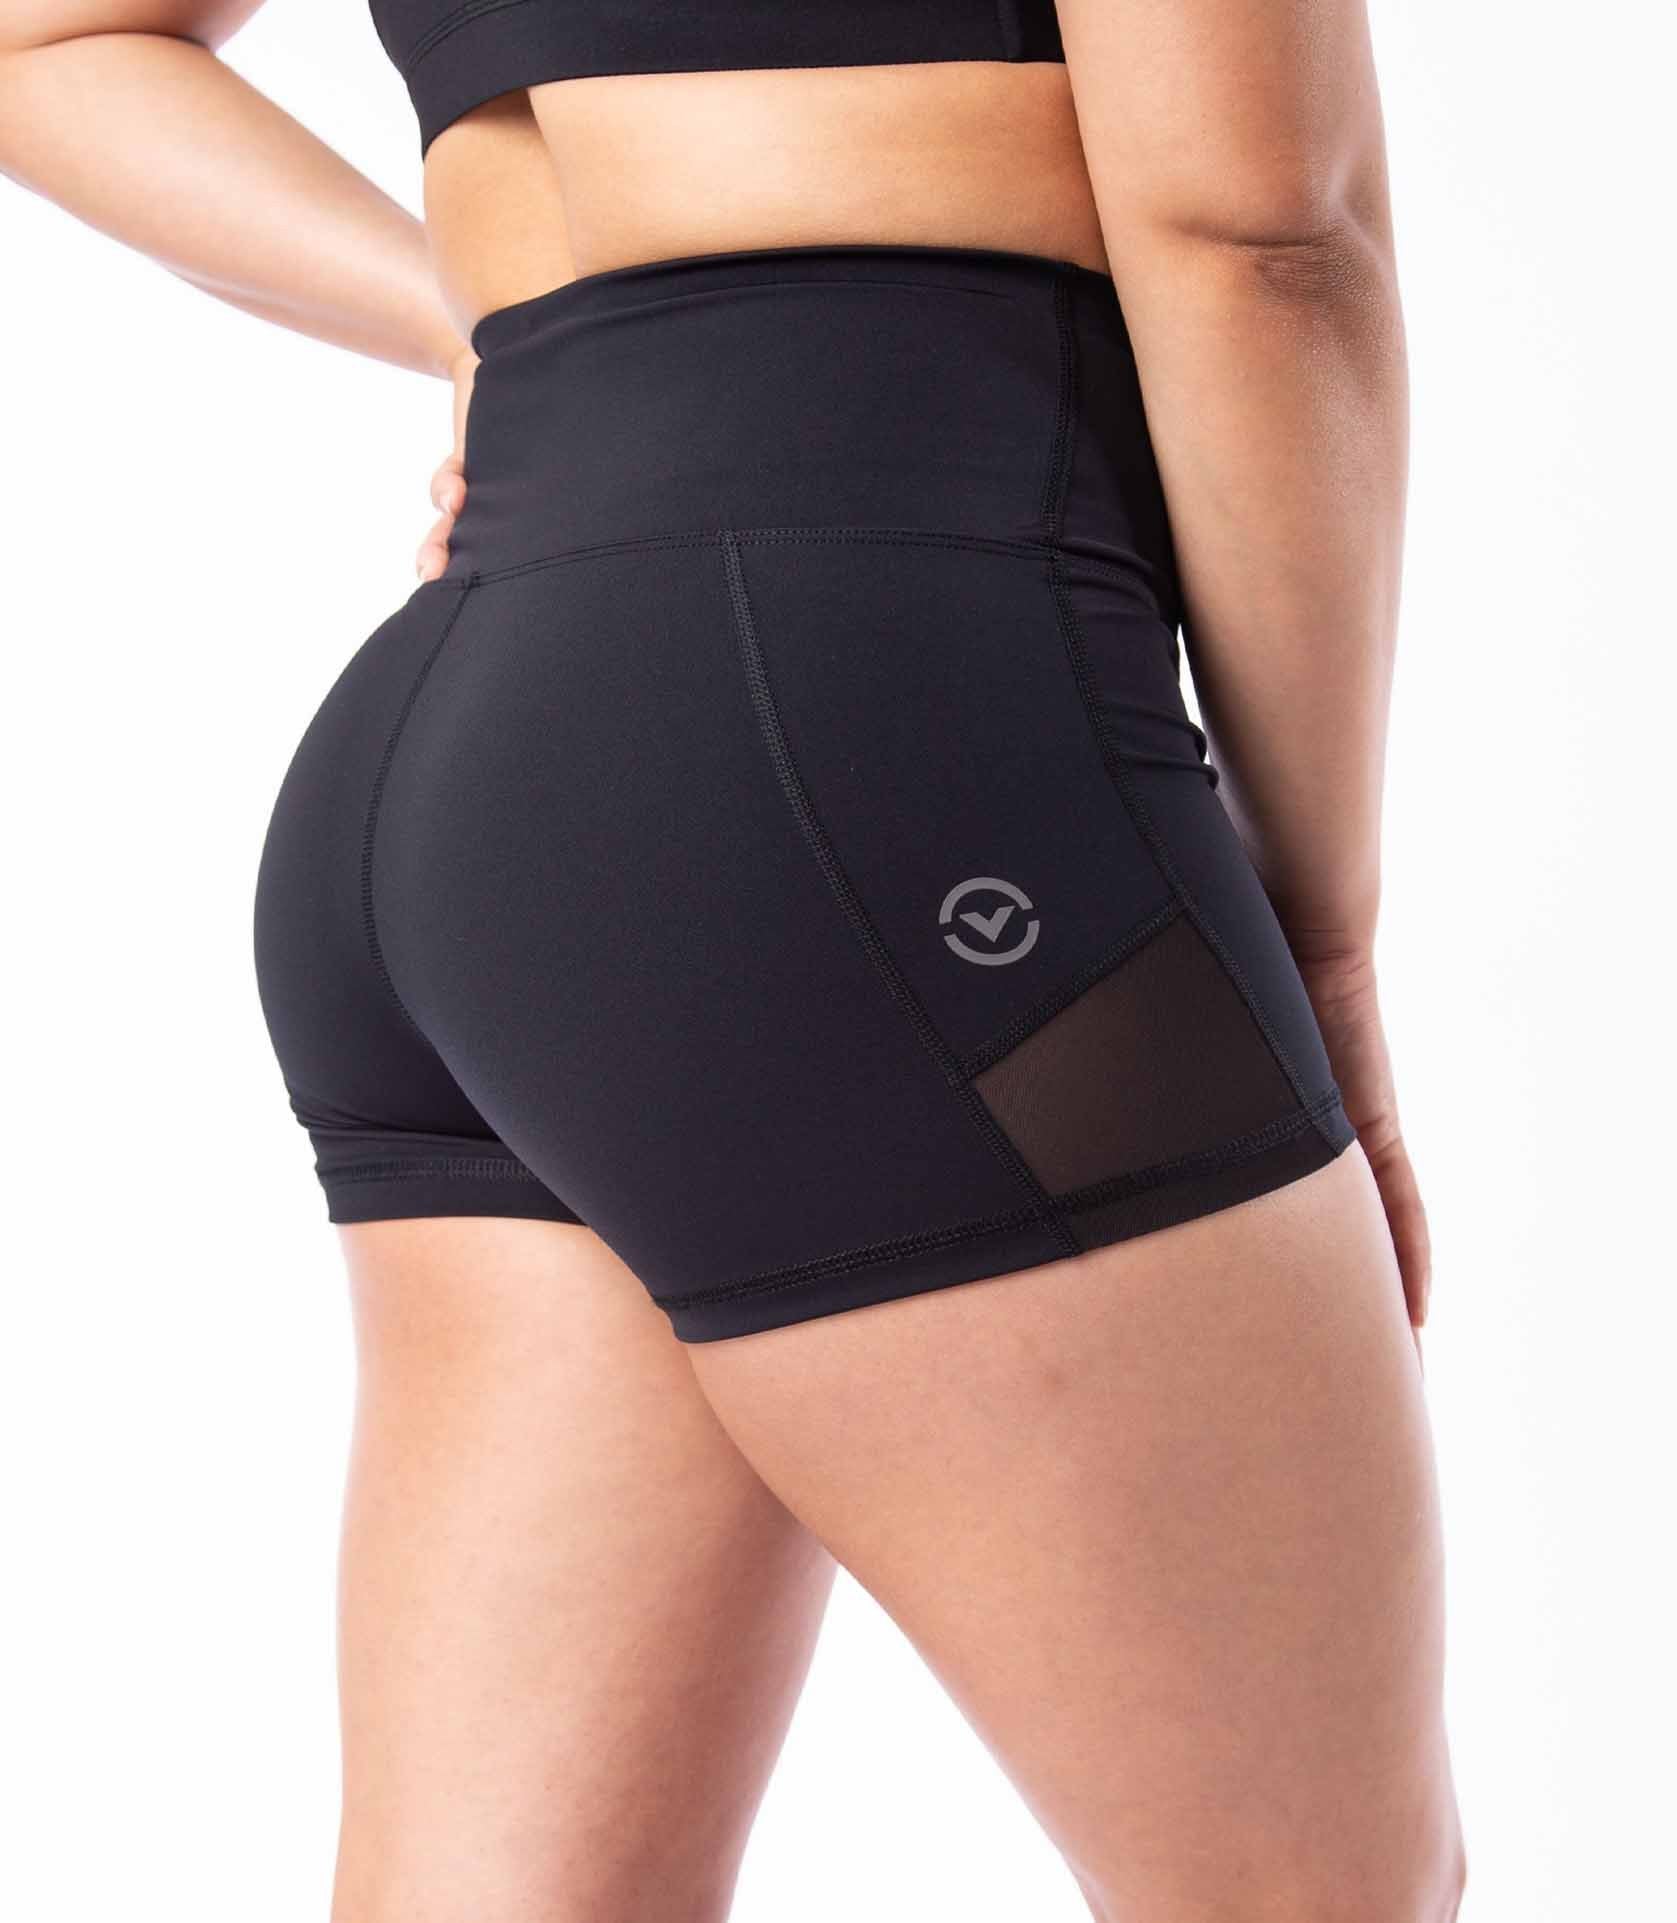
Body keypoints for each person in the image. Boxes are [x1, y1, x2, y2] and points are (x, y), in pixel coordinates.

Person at [0, 2, 1465, 1916]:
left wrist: (495, 332)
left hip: (459, 750)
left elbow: (45, 43)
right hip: (877, 718)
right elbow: (1255, 232)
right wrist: (1323, 934)